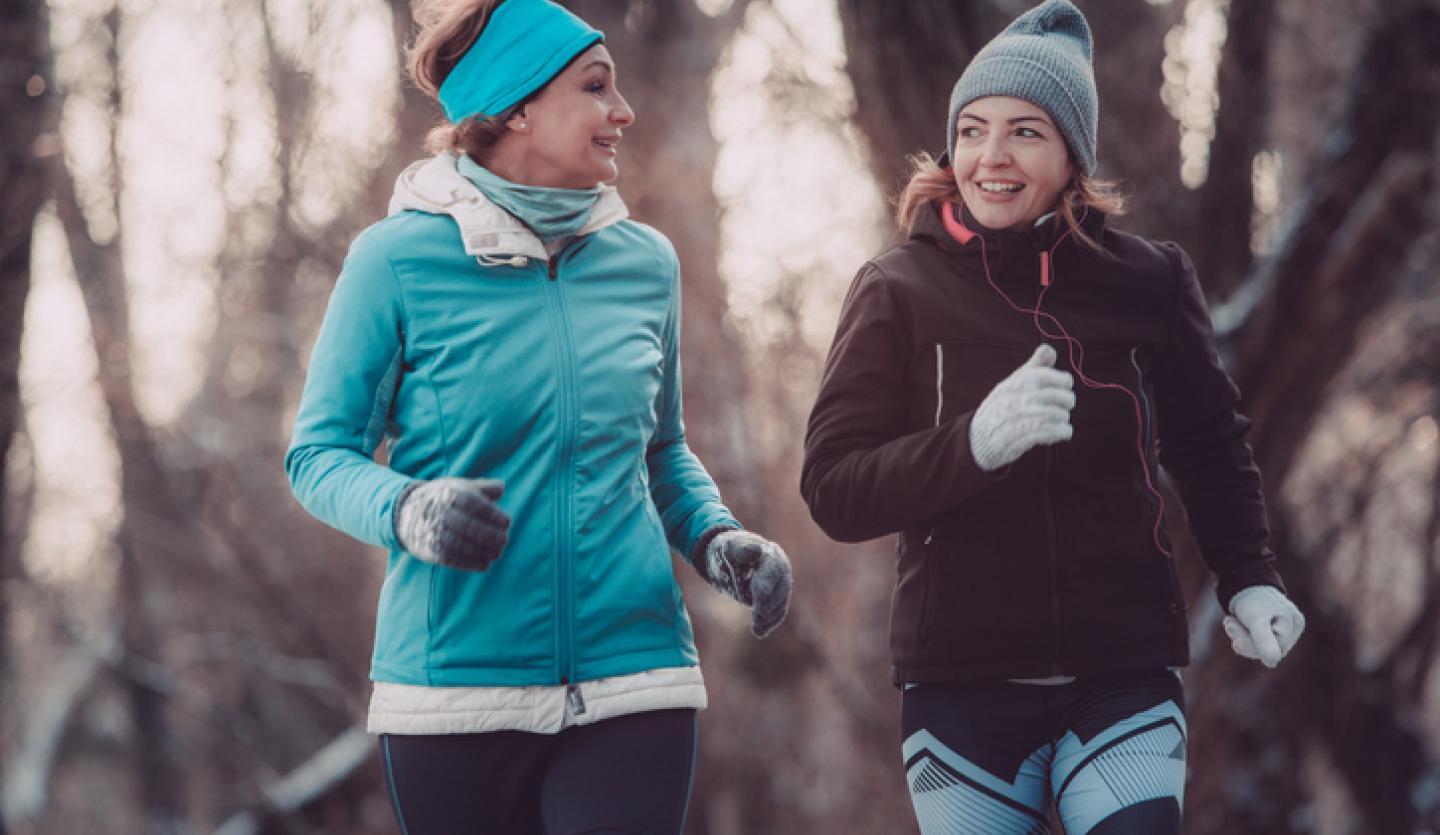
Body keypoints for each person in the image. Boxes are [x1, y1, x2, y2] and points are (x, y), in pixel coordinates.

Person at [284, 1, 792, 832]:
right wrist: (408, 509)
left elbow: (662, 452)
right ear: (516, 108)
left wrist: (716, 537)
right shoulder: (396, 260)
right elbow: (318, 455)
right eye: (596, 89)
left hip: (635, 676)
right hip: (452, 693)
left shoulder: (645, 263)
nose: (621, 112)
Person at [799, 2, 1304, 833]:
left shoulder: (1147, 280)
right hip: (961, 692)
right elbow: (832, 488)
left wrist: (1247, 571)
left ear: (1073, 151)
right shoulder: (896, 288)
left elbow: (1210, 442)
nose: (991, 157)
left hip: (1124, 674)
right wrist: (972, 444)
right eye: (972, 130)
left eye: (1026, 132)